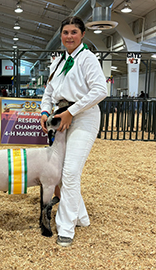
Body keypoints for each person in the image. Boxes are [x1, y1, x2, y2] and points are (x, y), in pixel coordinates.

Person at [40, 16, 107, 247]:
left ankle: (65, 228)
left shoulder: (88, 59)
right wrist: (44, 112)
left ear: (82, 35)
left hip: (84, 117)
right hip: (61, 117)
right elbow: (48, 91)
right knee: (64, 172)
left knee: (69, 172)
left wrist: (73, 111)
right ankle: (82, 217)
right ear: (61, 35)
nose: (69, 36)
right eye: (66, 32)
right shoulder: (58, 61)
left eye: (74, 32)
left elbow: (100, 90)